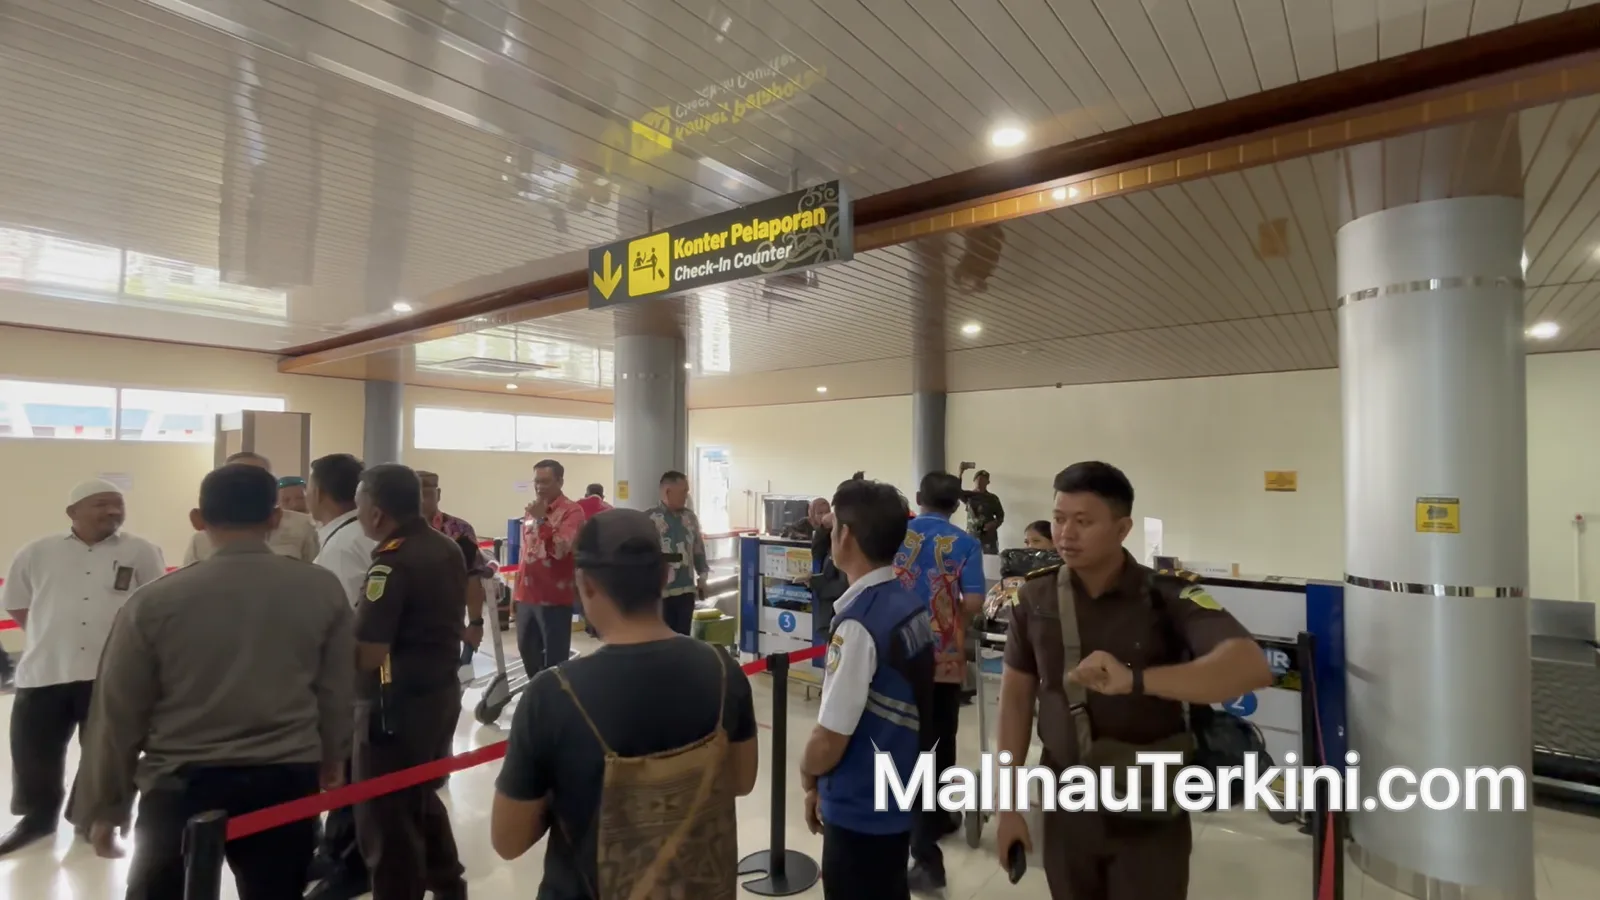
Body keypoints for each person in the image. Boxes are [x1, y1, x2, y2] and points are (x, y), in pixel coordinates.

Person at [74, 464, 354, 899]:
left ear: (198, 520)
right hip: (284, 778)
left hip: (181, 785)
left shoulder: (153, 602)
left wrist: (107, 806)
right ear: (276, 518)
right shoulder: (320, 588)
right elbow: (336, 687)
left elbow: (118, 713)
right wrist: (333, 755)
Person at [997, 462, 1272, 900]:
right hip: (1067, 802)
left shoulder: (1166, 595)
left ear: (1123, 528)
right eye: (1059, 518)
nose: (1066, 534)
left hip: (1150, 808)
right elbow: (1014, 701)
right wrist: (1007, 803)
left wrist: (1136, 680)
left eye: (1083, 522)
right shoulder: (1035, 597)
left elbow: (1248, 666)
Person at [491, 509, 759, 899]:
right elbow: (741, 780)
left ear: (586, 584)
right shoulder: (722, 670)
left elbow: (508, 839)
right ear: (665, 577)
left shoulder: (553, 694)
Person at [0, 478, 166, 856]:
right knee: (34, 752)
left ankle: (89, 820)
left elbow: (155, 606)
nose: (112, 511)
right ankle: (35, 820)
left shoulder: (141, 551)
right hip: (45, 669)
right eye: (101, 504)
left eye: (118, 504)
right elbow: (16, 602)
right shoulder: (36, 552)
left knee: (103, 753)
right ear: (72, 512)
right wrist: (48, 634)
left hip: (110, 673)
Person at [801, 479, 936, 900]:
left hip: (859, 806)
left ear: (846, 536)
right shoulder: (907, 601)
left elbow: (829, 737)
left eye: (834, 524)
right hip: (896, 791)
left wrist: (809, 780)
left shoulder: (860, 623)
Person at [351, 464, 470, 900]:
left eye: (360, 503)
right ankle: (449, 886)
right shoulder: (444, 546)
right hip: (439, 696)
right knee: (420, 802)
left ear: (377, 512)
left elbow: (368, 652)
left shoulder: (391, 562)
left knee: (385, 822)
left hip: (392, 708)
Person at [895, 472, 987, 892]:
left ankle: (920, 834)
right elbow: (973, 602)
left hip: (899, 655)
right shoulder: (966, 544)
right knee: (941, 738)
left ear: (919, 498)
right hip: (945, 660)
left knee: (906, 742)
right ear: (958, 505)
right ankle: (938, 816)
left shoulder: (896, 534)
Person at [306, 453, 376, 900]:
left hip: (353, 680)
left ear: (317, 492)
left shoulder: (342, 546)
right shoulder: (357, 536)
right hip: (370, 676)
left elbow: (344, 622)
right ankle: (337, 848)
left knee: (352, 770)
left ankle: (350, 862)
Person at [515, 459, 586, 675]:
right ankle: (537, 696)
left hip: (554, 598)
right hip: (526, 596)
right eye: (537, 481)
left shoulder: (572, 512)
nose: (539, 487)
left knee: (555, 660)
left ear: (560, 481)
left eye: (545, 482)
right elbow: (524, 553)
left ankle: (555, 701)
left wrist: (541, 521)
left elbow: (560, 549)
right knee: (527, 651)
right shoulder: (531, 511)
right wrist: (515, 593)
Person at [185, 452, 319, 563]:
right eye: (236, 477)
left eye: (257, 478)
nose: (246, 484)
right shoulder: (200, 539)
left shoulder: (302, 526)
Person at [418, 470, 492, 652]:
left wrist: (476, 623)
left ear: (438, 494)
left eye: (426, 493)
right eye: (414, 494)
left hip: (446, 626)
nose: (420, 500)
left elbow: (471, 579)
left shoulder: (459, 531)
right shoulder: (395, 530)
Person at [647, 471, 709, 635]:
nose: (686, 496)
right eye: (683, 492)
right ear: (668, 491)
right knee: (661, 640)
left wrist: (703, 577)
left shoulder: (690, 518)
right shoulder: (650, 519)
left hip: (686, 591)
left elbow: (698, 549)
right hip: (660, 594)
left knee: (683, 639)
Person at [959, 467, 1005, 555]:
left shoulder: (992, 498)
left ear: (988, 482)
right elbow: (956, 491)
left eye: (984, 480)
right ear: (974, 481)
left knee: (989, 561)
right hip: (972, 535)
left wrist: (993, 524)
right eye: (978, 479)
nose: (980, 481)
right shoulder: (969, 496)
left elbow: (1000, 516)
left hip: (988, 537)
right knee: (970, 560)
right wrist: (960, 473)